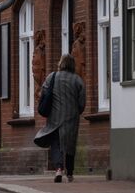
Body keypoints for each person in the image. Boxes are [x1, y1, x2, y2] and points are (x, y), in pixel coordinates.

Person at [34, 53, 85, 183]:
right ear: (73, 65)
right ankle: (70, 173)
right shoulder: (78, 80)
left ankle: (58, 169)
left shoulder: (52, 77)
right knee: (69, 145)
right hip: (72, 118)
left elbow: (43, 94)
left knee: (56, 144)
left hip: (55, 117)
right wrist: (76, 111)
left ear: (61, 63)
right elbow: (82, 103)